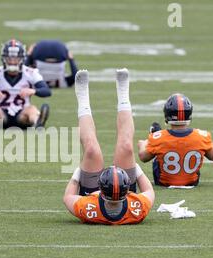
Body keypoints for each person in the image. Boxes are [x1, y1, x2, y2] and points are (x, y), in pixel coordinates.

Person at [63, 69, 155, 225]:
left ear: (100, 187)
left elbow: (68, 198)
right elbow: (149, 192)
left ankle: (83, 98)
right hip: (123, 191)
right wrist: (137, 169)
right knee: (126, 146)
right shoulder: (137, 209)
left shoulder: (89, 208)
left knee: (91, 150)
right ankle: (123, 91)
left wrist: (77, 174)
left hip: (89, 192)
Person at [137, 94, 213, 187]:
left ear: (167, 114)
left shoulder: (157, 138)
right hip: (192, 182)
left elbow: (143, 157)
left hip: (163, 182)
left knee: (156, 148)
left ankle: (155, 134)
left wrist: (144, 142)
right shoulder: (202, 135)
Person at [0, 39, 51, 129]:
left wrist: (33, 91)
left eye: (16, 58)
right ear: (4, 58)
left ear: (22, 59)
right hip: (1, 120)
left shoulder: (31, 73)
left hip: (23, 117)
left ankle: (37, 121)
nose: (12, 61)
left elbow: (46, 91)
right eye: (9, 58)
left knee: (31, 109)